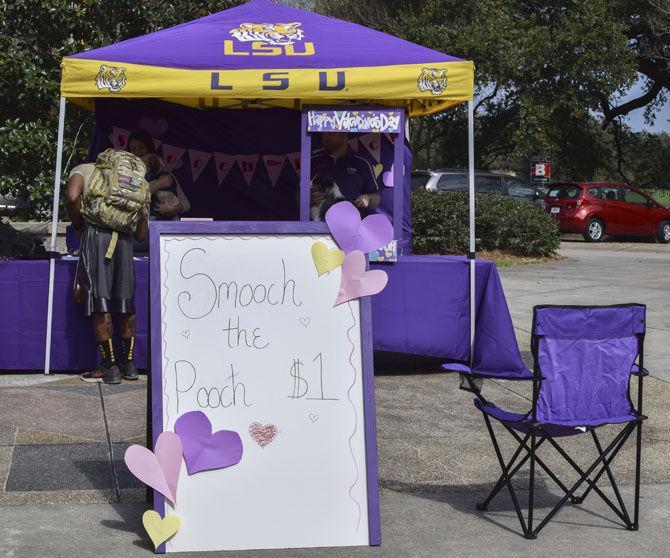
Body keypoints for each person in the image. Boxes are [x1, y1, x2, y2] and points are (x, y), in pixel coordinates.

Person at [66, 159, 148, 384]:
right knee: (125, 302)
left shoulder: (84, 169)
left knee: (100, 301)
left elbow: (73, 196)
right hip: (126, 241)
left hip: (96, 236)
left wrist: (78, 224)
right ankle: (129, 366)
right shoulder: (133, 178)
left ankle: (108, 367)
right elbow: (142, 232)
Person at [310, 132, 380, 217]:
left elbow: (376, 197)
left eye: (330, 133)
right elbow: (299, 193)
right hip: (319, 224)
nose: (325, 137)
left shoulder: (362, 162)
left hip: (351, 223)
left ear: (344, 133)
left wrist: (368, 199)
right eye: (323, 134)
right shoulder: (314, 161)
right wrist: (309, 199)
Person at [127, 129, 190, 220]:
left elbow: (186, 204)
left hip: (165, 227)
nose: (137, 153)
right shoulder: (129, 174)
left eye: (142, 148)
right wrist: (158, 185)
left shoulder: (165, 174)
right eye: (133, 149)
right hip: (141, 228)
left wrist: (175, 208)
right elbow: (132, 199)